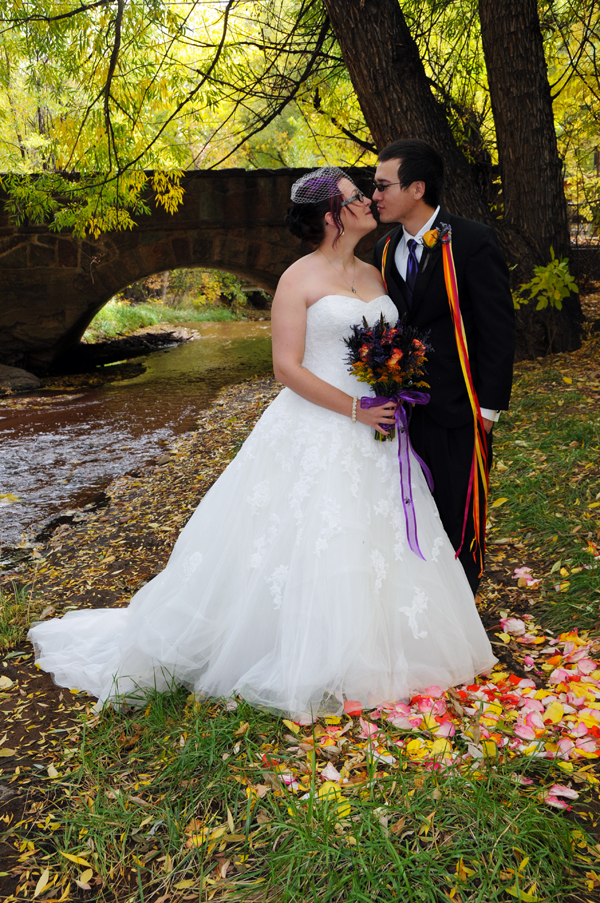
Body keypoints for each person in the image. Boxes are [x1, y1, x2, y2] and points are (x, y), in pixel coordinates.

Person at [28, 167, 496, 724]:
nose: (369, 201)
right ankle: (303, 651)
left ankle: (387, 644)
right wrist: (354, 407)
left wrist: (394, 384)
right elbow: (284, 367)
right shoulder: (298, 279)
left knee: (379, 534)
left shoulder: (377, 270)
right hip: (321, 423)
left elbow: (390, 342)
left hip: (380, 429)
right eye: (355, 196)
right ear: (331, 216)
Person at [372, 140, 515, 594]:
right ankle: (424, 607)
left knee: (460, 512)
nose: (373, 195)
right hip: (403, 412)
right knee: (411, 511)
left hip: (460, 408)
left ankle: (464, 613)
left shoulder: (472, 240)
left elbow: (498, 330)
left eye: (382, 186)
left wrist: (487, 411)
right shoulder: (383, 248)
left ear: (417, 187)